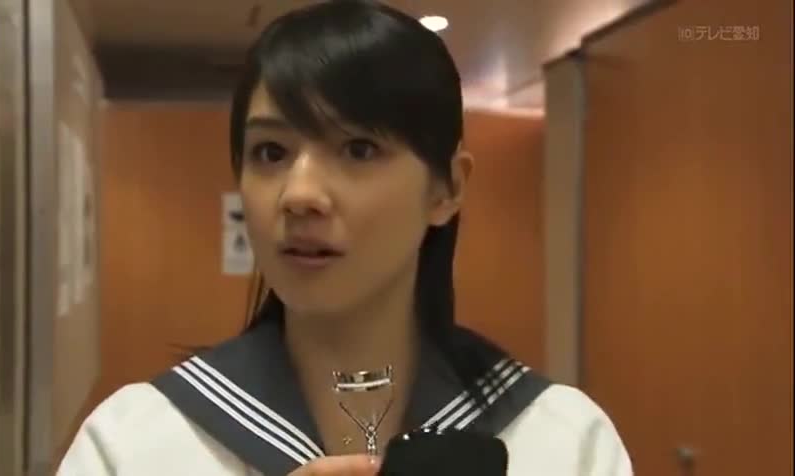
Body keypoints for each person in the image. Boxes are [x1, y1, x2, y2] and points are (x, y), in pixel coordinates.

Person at [58, 1, 632, 474]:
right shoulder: (135, 445)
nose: (299, 194)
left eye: (359, 149)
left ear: (447, 189)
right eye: (271, 152)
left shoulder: (562, 442)